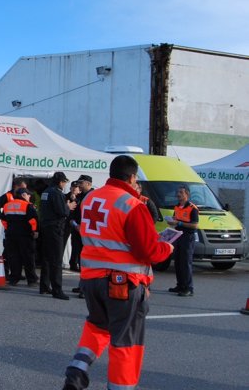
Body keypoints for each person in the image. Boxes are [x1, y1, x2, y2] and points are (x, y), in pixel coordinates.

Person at [63, 155, 174, 390]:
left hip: (91, 279)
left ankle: (77, 369)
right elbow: (148, 251)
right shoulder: (132, 205)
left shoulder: (91, 198)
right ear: (132, 177)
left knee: (97, 326)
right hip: (123, 282)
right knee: (126, 342)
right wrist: (168, 247)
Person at [39, 171, 76, 300]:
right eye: (65, 182)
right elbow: (62, 211)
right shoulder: (56, 193)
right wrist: (69, 206)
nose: (65, 184)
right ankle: (57, 289)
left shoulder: (46, 192)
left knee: (47, 258)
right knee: (56, 260)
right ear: (61, 182)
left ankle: (44, 286)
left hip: (46, 227)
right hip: (56, 228)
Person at [0, 177, 28, 279]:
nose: (25, 190)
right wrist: (2, 218)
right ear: (16, 186)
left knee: (18, 252)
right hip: (10, 228)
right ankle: (5, 273)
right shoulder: (8, 196)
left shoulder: (22, 196)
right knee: (8, 252)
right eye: (23, 188)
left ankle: (16, 273)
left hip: (21, 229)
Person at [166, 185, 199, 297]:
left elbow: (195, 225)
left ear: (187, 195)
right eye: (178, 192)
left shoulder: (192, 208)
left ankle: (189, 288)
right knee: (178, 262)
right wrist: (172, 222)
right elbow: (176, 219)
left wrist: (179, 223)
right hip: (178, 236)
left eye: (181, 192)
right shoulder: (176, 207)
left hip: (187, 238)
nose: (178, 194)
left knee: (186, 263)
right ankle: (180, 285)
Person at [2, 188, 39, 286]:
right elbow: (33, 221)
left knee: (14, 257)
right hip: (25, 236)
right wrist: (35, 231)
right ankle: (31, 280)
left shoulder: (7, 206)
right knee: (28, 258)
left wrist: (8, 229)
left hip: (11, 236)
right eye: (28, 194)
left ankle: (14, 278)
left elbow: (3, 220)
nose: (29, 196)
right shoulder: (27, 206)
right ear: (23, 195)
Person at [69, 175, 94, 297]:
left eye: (81, 182)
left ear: (89, 183)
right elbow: (71, 214)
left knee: (88, 261)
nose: (79, 184)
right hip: (78, 232)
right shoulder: (78, 197)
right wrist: (75, 225)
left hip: (90, 234)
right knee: (80, 259)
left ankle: (86, 288)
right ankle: (82, 285)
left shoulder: (95, 196)